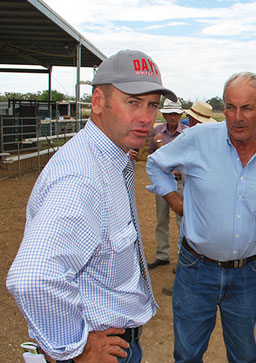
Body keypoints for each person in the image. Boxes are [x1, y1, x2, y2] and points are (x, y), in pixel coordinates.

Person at [6, 49, 176, 362]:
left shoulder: (110, 157)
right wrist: (76, 348)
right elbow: (32, 276)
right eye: (132, 102)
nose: (146, 117)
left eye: (153, 104)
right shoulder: (83, 177)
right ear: (98, 101)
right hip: (102, 348)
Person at [146, 71, 256, 362]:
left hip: (248, 275)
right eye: (230, 107)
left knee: (243, 356)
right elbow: (155, 164)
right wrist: (176, 202)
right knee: (187, 355)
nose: (237, 117)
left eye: (247, 108)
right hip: (195, 270)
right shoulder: (199, 138)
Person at [146, 99, 188, 269]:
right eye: (170, 113)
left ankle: (183, 258)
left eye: (176, 114)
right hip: (163, 182)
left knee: (183, 219)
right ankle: (162, 254)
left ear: (180, 115)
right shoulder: (157, 131)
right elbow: (151, 154)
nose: (173, 117)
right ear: (164, 115)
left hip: (180, 182)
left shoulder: (187, 133)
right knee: (162, 219)